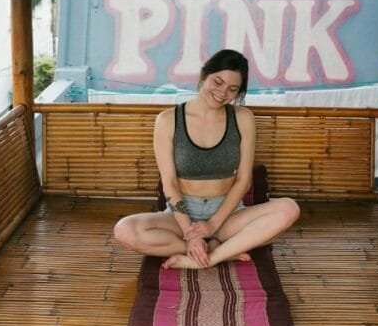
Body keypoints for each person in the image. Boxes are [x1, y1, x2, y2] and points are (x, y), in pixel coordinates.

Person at [113, 49, 300, 269]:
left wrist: (212, 224)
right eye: (217, 82)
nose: (222, 93)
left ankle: (207, 259)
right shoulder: (168, 120)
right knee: (125, 230)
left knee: (289, 209)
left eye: (233, 89)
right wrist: (190, 234)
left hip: (228, 214)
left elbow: (243, 181)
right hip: (181, 215)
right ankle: (215, 250)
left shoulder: (243, 119)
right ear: (204, 76)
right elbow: (169, 183)